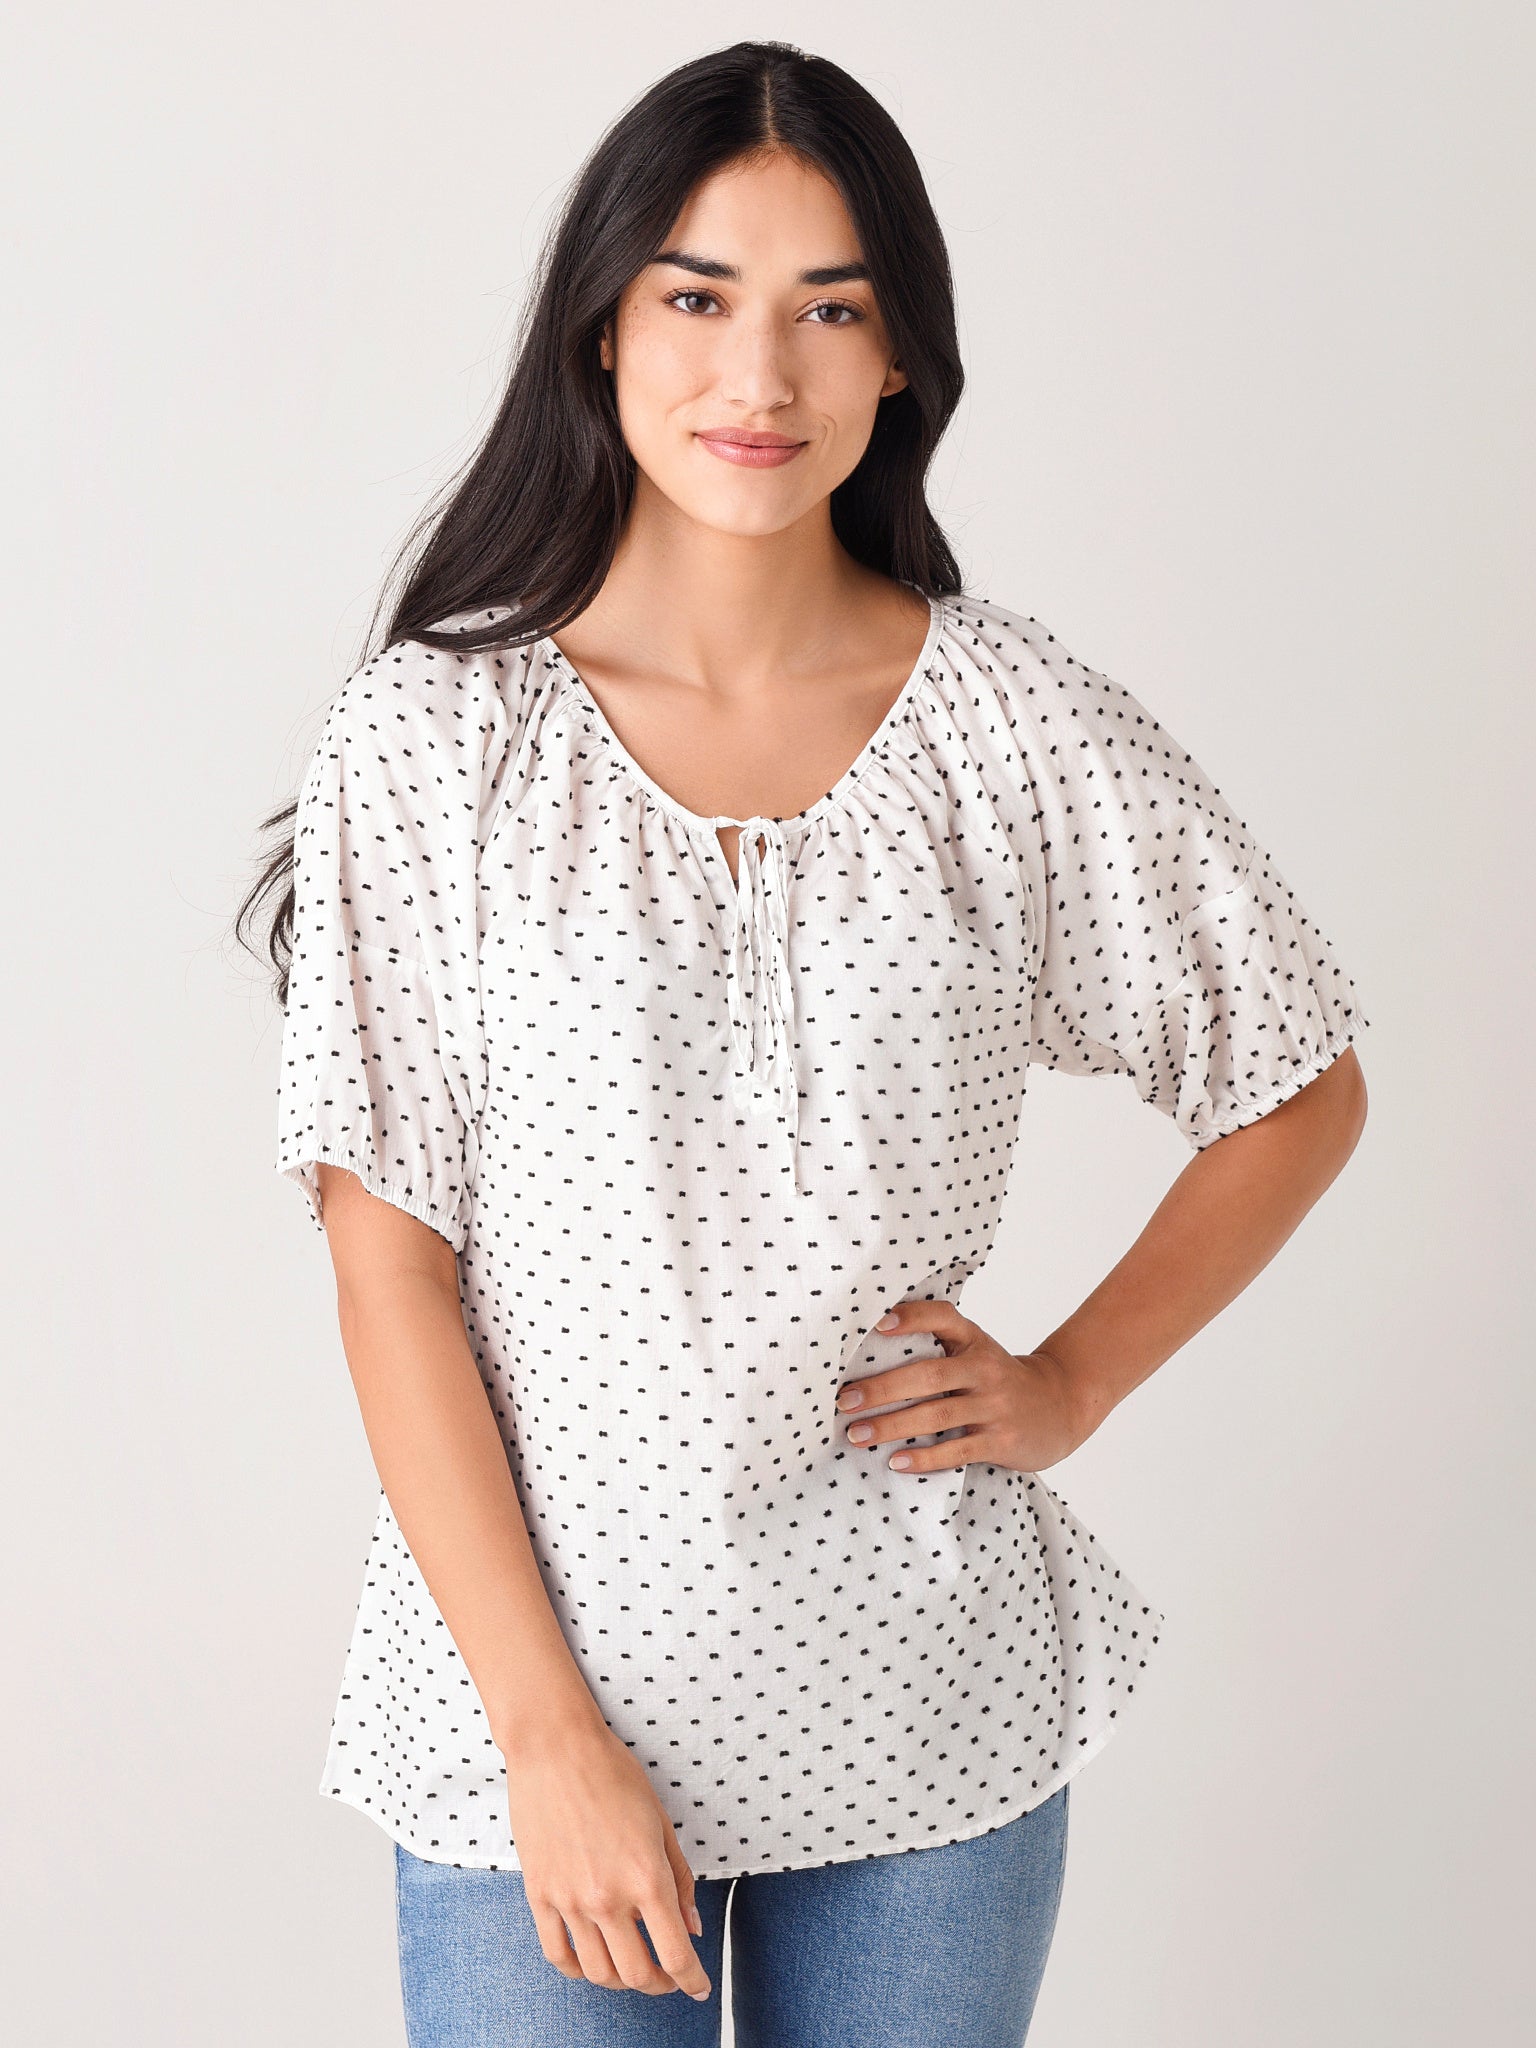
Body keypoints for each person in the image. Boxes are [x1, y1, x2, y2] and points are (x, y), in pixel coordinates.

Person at [241, 38, 1370, 2048]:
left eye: (829, 311)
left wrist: (1074, 1380)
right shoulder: (437, 739)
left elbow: (1296, 1078)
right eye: (699, 298)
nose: (758, 375)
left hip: (925, 1696)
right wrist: (546, 1740)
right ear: (604, 326)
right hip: (536, 1712)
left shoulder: (1010, 724)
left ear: (901, 356)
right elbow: (387, 1263)